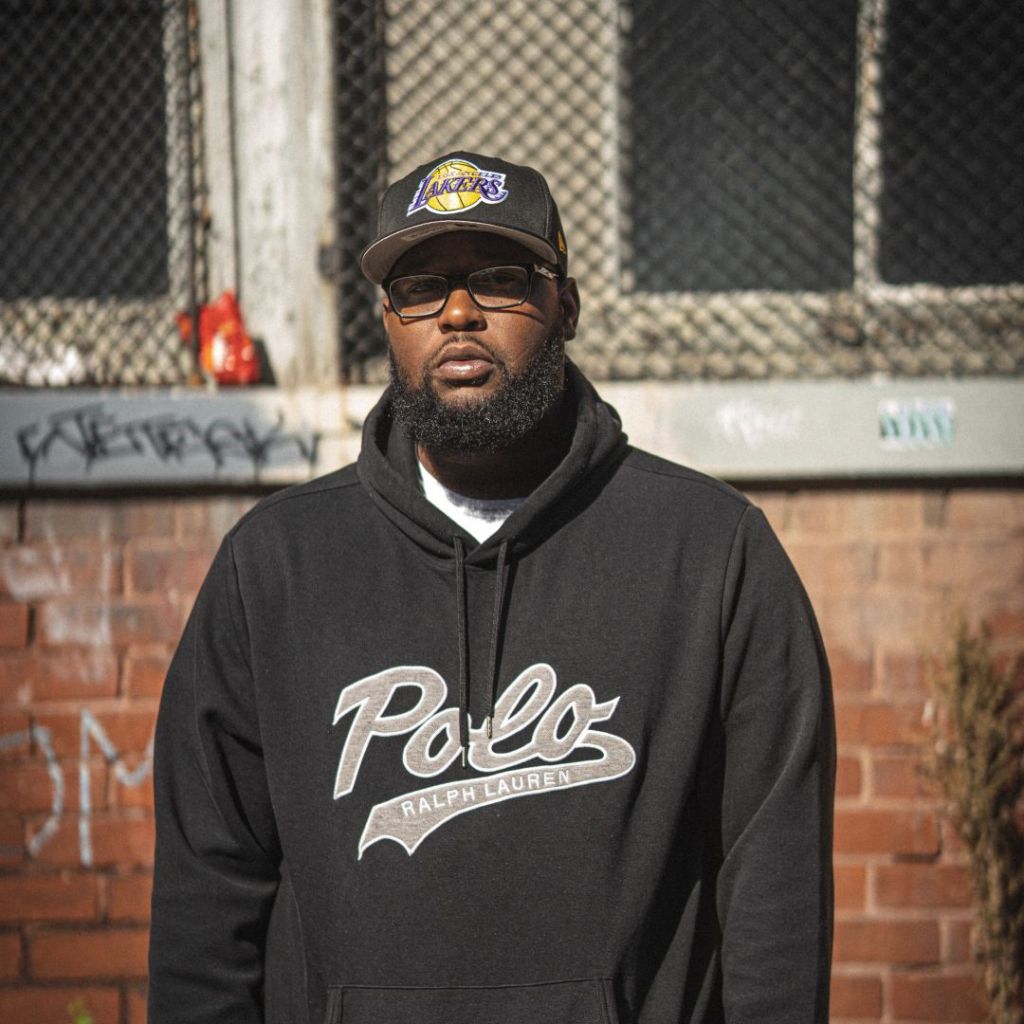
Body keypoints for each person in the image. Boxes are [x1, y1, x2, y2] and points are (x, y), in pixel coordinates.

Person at [148, 152, 835, 1024]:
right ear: (388, 321)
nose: (458, 313)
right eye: (420, 287)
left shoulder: (711, 554)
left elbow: (774, 897)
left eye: (501, 279)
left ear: (566, 306)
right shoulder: (273, 569)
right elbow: (207, 909)